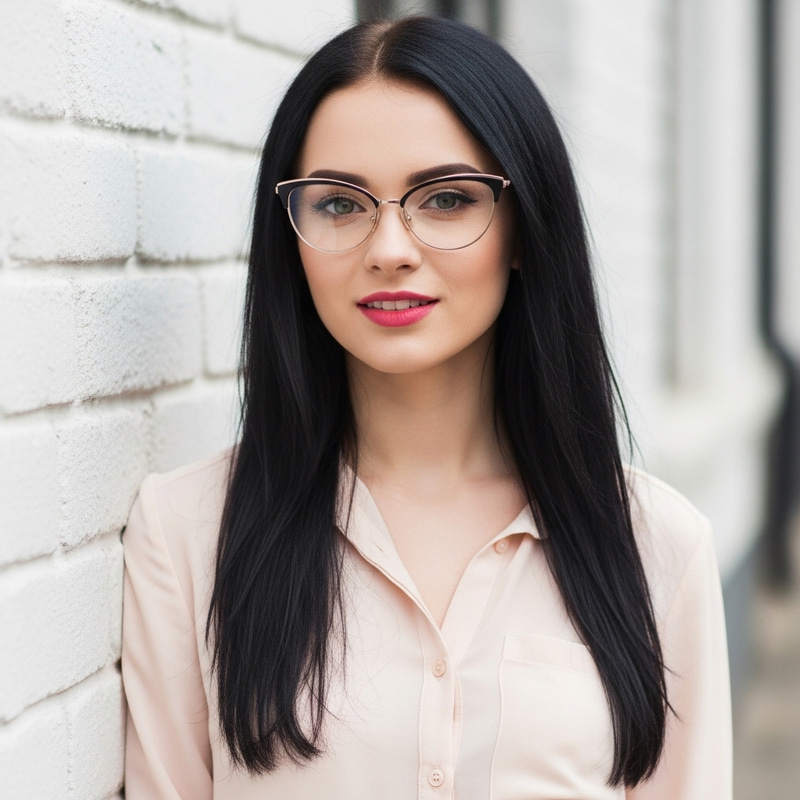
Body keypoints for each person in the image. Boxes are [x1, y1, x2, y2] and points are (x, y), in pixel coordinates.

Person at [121, 15, 732, 800]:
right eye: (340, 204)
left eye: (445, 199)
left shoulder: (659, 549)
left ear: (522, 229)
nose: (390, 248)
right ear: (292, 236)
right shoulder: (186, 536)